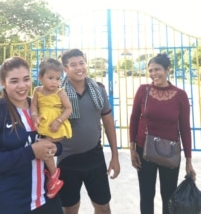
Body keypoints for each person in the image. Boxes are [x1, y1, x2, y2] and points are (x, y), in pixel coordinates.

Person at [0, 56, 63, 214]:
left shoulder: (39, 107)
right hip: (11, 203)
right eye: (14, 81)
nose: (22, 86)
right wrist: (32, 152)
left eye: (26, 79)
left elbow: (59, 143)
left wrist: (53, 149)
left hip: (47, 200)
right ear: (3, 82)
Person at [129, 53, 196, 214]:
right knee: (146, 195)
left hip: (170, 153)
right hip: (143, 150)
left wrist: (188, 160)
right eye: (150, 70)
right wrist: (132, 149)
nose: (153, 74)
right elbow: (134, 119)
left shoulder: (180, 95)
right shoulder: (143, 90)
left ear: (167, 70)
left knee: (168, 195)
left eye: (157, 69)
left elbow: (185, 128)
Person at [57, 48, 120, 214]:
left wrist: (115, 156)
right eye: (73, 65)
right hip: (67, 160)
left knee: (103, 207)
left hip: (94, 157)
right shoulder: (57, 94)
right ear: (65, 69)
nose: (79, 68)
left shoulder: (98, 90)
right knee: (69, 208)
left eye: (82, 63)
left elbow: (108, 122)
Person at [30, 58, 72, 199]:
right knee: (42, 149)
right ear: (40, 77)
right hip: (43, 125)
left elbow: (68, 108)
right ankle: (49, 176)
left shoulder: (60, 92)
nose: (55, 82)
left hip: (56, 126)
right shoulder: (37, 90)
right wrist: (35, 116)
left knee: (45, 147)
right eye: (50, 78)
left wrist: (59, 121)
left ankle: (54, 176)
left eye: (58, 79)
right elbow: (34, 106)